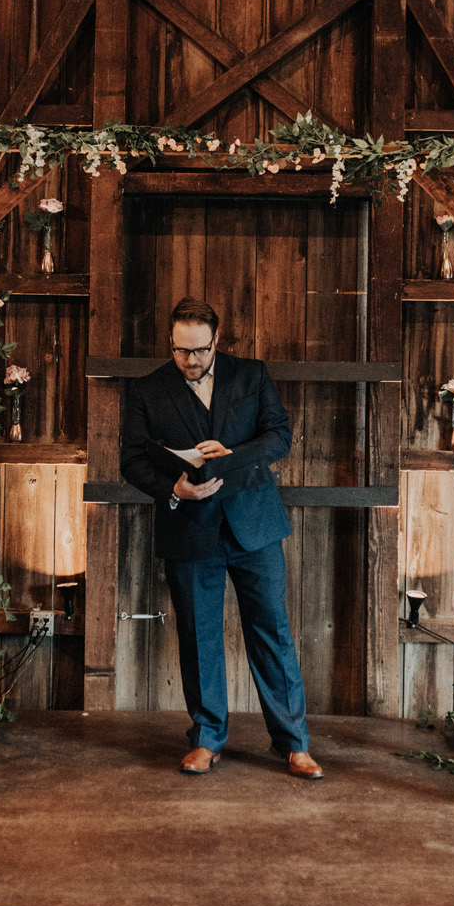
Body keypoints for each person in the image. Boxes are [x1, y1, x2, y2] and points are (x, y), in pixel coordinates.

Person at [120, 297, 323, 780]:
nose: (191, 361)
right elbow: (130, 460)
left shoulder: (251, 375)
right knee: (198, 638)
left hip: (254, 527)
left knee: (272, 632)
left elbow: (279, 437)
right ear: (170, 343)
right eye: (181, 351)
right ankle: (207, 738)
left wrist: (230, 454)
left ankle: (294, 744)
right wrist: (174, 487)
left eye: (200, 351)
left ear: (217, 341)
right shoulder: (148, 390)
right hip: (189, 531)